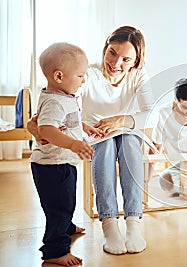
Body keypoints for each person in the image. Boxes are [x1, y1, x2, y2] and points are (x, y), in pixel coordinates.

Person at [28, 26, 153, 255]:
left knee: (129, 144)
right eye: (112, 52)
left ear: (135, 62)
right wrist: (34, 126)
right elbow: (58, 98)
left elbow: (152, 113)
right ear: (106, 47)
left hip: (124, 131)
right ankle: (109, 223)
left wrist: (122, 120)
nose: (116, 63)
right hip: (94, 134)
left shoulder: (139, 76)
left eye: (126, 59)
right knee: (104, 148)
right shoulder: (88, 74)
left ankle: (134, 222)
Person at [29, 42, 98, 266]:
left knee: (66, 200)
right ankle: (55, 251)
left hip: (60, 163)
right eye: (80, 75)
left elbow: (69, 121)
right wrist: (73, 144)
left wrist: (85, 127)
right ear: (59, 76)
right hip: (53, 166)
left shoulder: (61, 97)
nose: (83, 80)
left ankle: (66, 227)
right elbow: (46, 129)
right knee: (59, 206)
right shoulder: (55, 102)